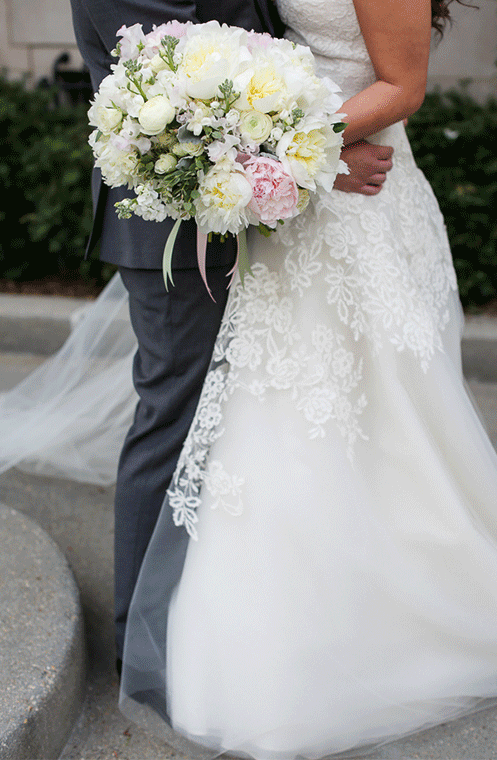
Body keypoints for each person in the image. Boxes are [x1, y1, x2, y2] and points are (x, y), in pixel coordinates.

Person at [117, 0, 497, 757]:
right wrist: (271, 161)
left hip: (358, 200)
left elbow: (404, 84)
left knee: (381, 415)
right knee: (273, 413)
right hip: (302, 197)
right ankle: (264, 638)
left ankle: (393, 618)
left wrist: (280, 158)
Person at [0, 0, 398, 670]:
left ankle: (223, 614)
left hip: (247, 213)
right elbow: (181, 97)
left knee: (238, 422)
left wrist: (312, 160)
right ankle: (146, 642)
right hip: (182, 229)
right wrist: (320, 158)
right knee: (176, 422)